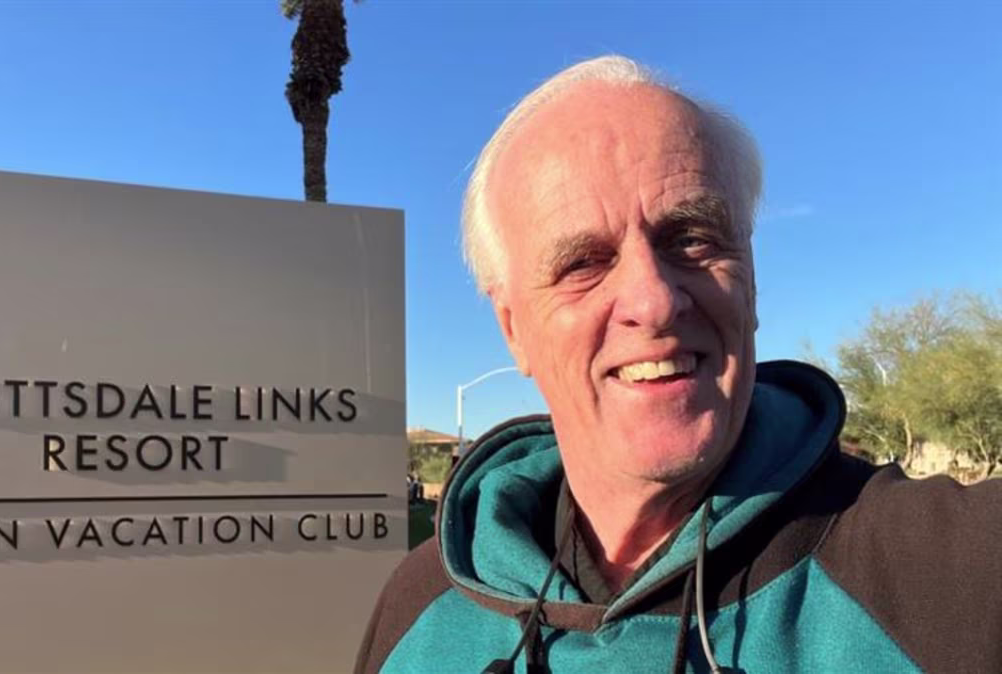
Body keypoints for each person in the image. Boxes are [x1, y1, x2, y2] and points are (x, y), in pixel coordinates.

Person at [356, 55, 1002, 674]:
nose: (653, 300)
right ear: (513, 330)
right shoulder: (422, 607)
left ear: (750, 280)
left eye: (691, 238)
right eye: (584, 262)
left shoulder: (958, 575)